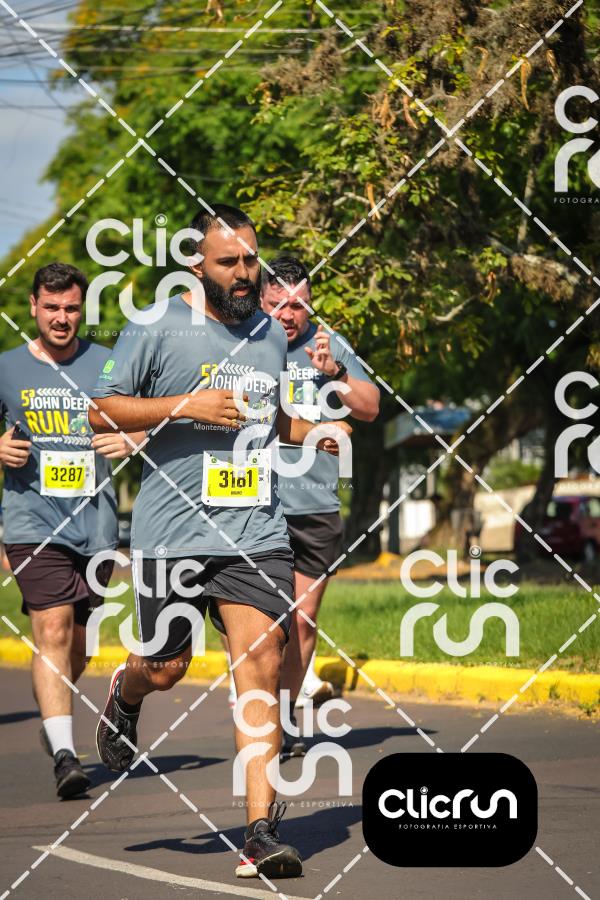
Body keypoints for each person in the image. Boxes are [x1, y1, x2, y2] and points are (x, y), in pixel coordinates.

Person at [89, 205, 350, 880]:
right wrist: (184, 405)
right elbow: (100, 408)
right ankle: (128, 693)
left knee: (261, 659)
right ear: (196, 264)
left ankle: (260, 832)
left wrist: (316, 433)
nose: (243, 273)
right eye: (229, 262)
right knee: (167, 667)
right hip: (171, 535)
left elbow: (271, 418)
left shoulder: (267, 333)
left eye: (250, 260)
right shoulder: (155, 325)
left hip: (254, 532)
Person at [0, 262, 144, 799]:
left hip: (96, 526)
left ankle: (52, 714)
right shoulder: (7, 368)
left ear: (82, 310)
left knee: (77, 645)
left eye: (71, 308)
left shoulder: (108, 364)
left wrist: (132, 441)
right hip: (31, 521)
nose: (61, 318)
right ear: (33, 307)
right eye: (51, 307)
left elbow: (150, 419)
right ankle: (66, 757)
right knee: (53, 629)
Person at [261, 255, 379, 757]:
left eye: (298, 305)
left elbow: (369, 408)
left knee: (304, 618)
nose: (288, 315)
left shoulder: (330, 345)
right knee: (267, 623)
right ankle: (259, 712)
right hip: (257, 503)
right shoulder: (243, 342)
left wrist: (335, 374)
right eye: (278, 304)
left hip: (315, 503)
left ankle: (284, 718)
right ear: (261, 300)